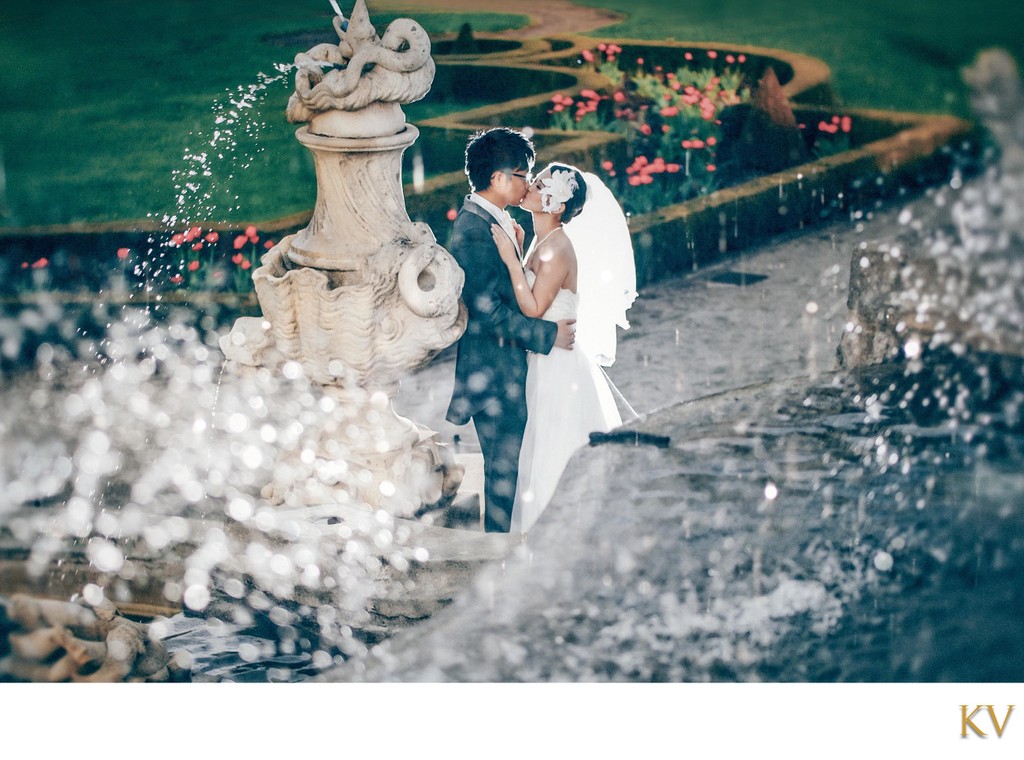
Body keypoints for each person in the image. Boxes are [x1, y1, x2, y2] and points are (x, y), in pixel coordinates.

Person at [490, 162, 637, 533]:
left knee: (553, 449)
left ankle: (555, 533)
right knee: (541, 447)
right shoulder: (543, 242)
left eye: (539, 185)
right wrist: (521, 250)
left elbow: (534, 308)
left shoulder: (558, 248)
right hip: (545, 358)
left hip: (558, 366)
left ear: (555, 204)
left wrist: (510, 259)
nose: (530, 187)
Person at [445, 128, 576, 533]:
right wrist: (547, 335)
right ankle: (497, 565)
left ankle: (509, 557)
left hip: (507, 372)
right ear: (499, 178)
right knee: (505, 483)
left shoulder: (495, 221)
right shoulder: (474, 232)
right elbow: (486, 312)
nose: (528, 183)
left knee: (519, 478)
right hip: (496, 377)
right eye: (524, 174)